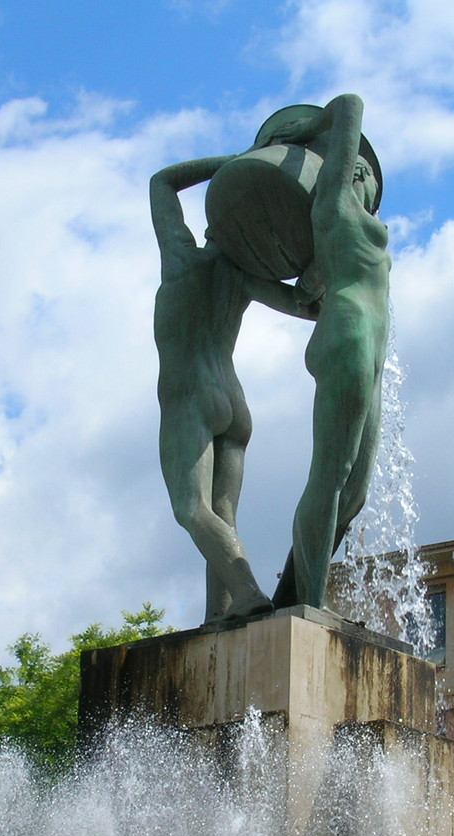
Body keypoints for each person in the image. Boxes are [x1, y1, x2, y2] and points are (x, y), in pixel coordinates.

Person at [151, 155, 320, 624]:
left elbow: (162, 181)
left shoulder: (181, 258)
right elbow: (307, 306)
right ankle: (220, 615)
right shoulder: (245, 277)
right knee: (222, 512)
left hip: (191, 395)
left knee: (191, 508)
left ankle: (246, 592)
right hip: (234, 401)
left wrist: (239, 161)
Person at [264, 94, 390, 610]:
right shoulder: (332, 204)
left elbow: (299, 295)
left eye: (366, 174)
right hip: (349, 337)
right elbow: (351, 105)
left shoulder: (341, 232)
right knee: (331, 476)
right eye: (355, 168)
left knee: (354, 492)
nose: (362, 178)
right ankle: (309, 609)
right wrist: (303, 133)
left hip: (368, 346)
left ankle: (287, 598)